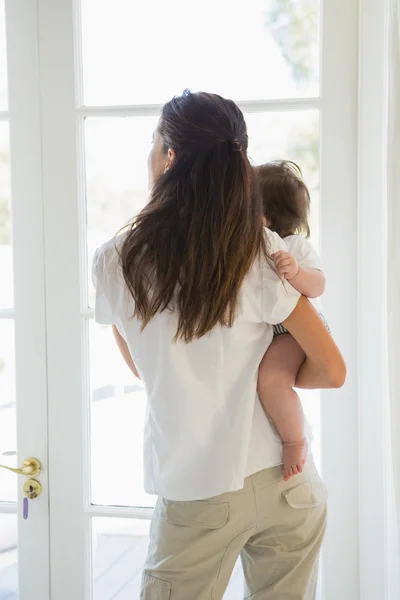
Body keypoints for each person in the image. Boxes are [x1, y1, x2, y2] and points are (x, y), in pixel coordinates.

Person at [92, 90, 346, 600]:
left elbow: (145, 368)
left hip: (198, 492)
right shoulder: (263, 253)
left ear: (170, 155)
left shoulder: (117, 259)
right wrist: (263, 376)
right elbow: (331, 370)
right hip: (288, 484)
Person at [255, 161, 327, 481]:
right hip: (271, 330)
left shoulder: (295, 246)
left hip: (293, 333)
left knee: (271, 380)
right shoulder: (252, 244)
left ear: (264, 217)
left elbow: (319, 285)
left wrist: (296, 272)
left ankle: (295, 441)